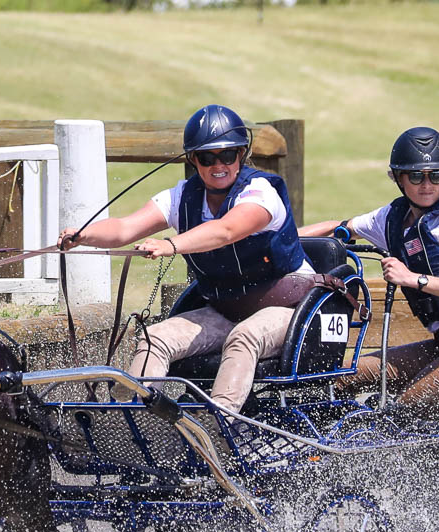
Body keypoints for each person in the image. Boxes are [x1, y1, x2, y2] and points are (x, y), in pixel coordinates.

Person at [60, 104, 315, 412]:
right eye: (207, 158)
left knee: (244, 336)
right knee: (156, 337)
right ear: (193, 159)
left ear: (242, 154)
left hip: (288, 308)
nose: (217, 165)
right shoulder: (180, 197)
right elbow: (125, 228)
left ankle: (220, 424)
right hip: (226, 309)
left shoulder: (261, 193)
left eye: (228, 155)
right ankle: (132, 420)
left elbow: (226, 230)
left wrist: (171, 244)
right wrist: (84, 236)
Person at [299, 126, 439, 418]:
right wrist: (282, 242)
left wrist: (412, 279)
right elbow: (340, 228)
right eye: (416, 176)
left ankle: (376, 444)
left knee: (393, 417)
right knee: (339, 379)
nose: (427, 184)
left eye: (436, 176)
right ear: (398, 178)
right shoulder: (391, 217)